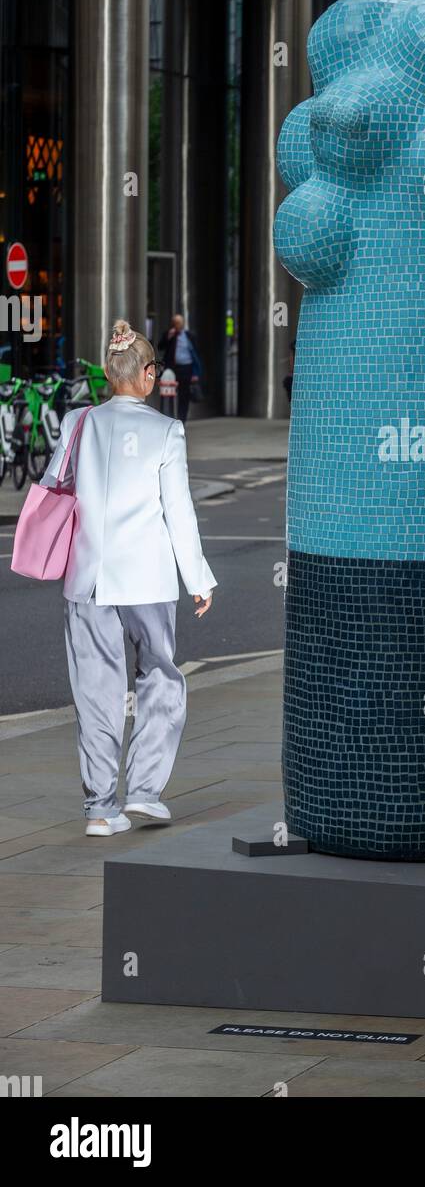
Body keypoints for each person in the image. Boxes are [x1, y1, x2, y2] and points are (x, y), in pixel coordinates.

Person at [40, 319, 217, 837]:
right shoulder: (167, 431)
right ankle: (143, 792)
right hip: (148, 578)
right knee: (160, 675)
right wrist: (198, 578)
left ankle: (99, 808)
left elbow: (55, 487)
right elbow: (179, 512)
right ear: (144, 375)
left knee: (95, 690)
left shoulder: (78, 424)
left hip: (88, 577)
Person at [158, 313, 202, 424]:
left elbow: (196, 354)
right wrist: (168, 337)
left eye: (179, 322)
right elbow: (160, 347)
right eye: (175, 322)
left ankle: (182, 420)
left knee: (184, 395)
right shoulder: (169, 335)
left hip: (186, 368)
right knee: (168, 393)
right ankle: (168, 418)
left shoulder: (189, 336)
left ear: (182, 324)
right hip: (172, 368)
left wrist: (195, 373)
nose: (177, 324)